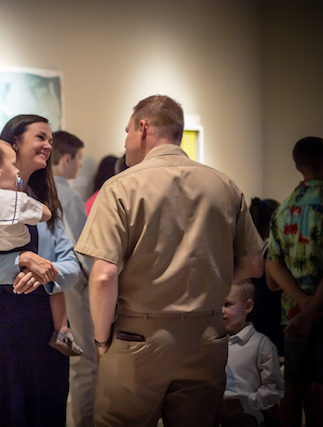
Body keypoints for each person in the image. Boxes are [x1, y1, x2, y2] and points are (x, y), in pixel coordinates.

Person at [75, 94, 264, 426]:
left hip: (138, 339)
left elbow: (103, 276)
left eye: (127, 131)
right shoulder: (224, 185)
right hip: (207, 337)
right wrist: (212, 278)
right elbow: (253, 265)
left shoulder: (120, 187)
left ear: (143, 128)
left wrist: (102, 341)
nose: (126, 141)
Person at [0, 115, 81, 426]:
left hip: (48, 336)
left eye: (50, 139)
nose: (48, 145)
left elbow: (72, 267)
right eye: (40, 137)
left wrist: (44, 274)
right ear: (13, 145)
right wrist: (21, 261)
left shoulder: (44, 204)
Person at [265, 136, 323, 427]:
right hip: (321, 314)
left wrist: (302, 305)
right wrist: (313, 308)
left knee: (294, 389)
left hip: (294, 317)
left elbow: (272, 263)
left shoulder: (283, 208)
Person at [51, 130, 97, 426]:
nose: (80, 166)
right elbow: (85, 248)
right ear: (66, 159)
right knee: (84, 361)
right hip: (72, 283)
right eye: (78, 159)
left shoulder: (34, 190)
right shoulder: (67, 194)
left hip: (46, 283)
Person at [221, 279, 284, 427]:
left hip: (244, 415)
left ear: (247, 306)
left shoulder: (262, 346)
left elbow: (274, 390)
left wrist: (244, 404)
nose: (221, 310)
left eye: (227, 304)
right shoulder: (209, 342)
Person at [248, 197, 283, 355]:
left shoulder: (249, 247)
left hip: (253, 307)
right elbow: (273, 283)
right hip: (271, 309)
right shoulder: (271, 248)